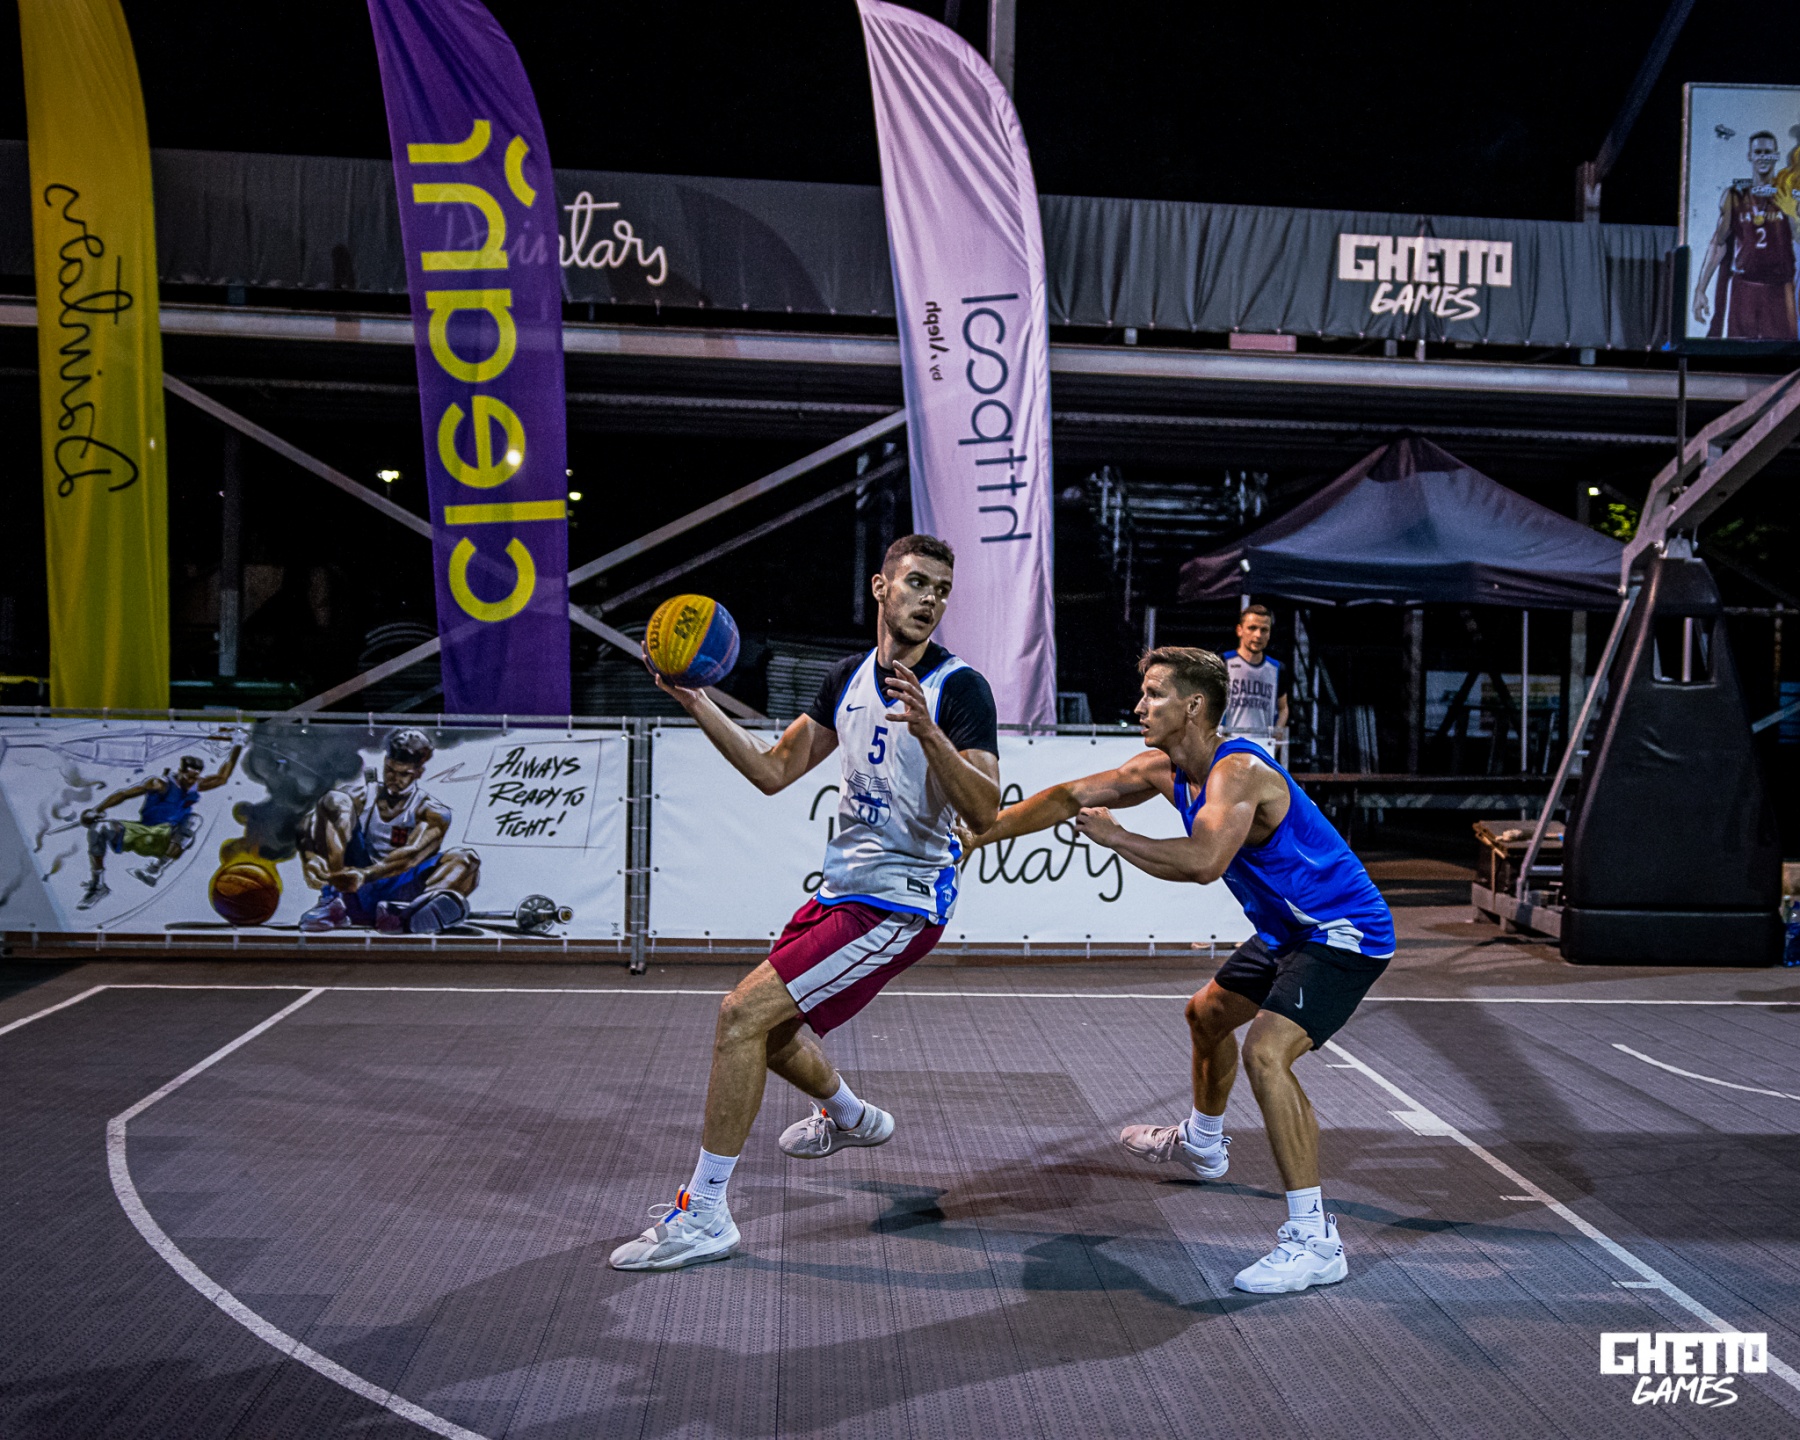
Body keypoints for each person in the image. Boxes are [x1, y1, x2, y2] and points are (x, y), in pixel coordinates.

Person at [610, 534, 1000, 1273]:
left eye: (942, 589)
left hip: (900, 902)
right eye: (917, 582)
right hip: (841, 889)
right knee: (773, 1034)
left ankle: (706, 1214)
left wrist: (929, 731)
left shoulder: (959, 689)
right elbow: (772, 770)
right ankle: (850, 1116)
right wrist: (695, 700)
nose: (930, 599)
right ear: (881, 588)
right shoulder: (846, 679)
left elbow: (985, 810)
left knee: (740, 1016)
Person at [962, 646, 1393, 1294]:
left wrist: (1116, 837)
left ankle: (1315, 1241)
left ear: (1193, 706)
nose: (1139, 705)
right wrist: (980, 833)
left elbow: (1202, 862)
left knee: (1266, 1054)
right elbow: (1069, 795)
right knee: (1206, 1015)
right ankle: (1203, 1143)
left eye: (1154, 694)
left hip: (1344, 932)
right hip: (1287, 931)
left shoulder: (1239, 771)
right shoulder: (1166, 770)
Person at [298, 727, 480, 934]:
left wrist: (366, 875)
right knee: (334, 801)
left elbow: (411, 856)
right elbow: (308, 824)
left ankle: (409, 914)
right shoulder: (360, 797)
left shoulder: (432, 812)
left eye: (404, 774)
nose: (395, 779)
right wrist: (310, 857)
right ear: (385, 762)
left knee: (466, 860)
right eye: (390, 770)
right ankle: (333, 903)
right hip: (353, 889)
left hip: (395, 891)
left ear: (419, 772)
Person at [79, 741, 244, 908]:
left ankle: (154, 869)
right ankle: (98, 885)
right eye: (189, 777)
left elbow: (222, 778)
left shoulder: (196, 785)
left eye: (195, 777)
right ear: (180, 772)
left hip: (167, 838)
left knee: (194, 820)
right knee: (99, 829)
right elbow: (124, 794)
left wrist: (237, 744)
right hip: (143, 832)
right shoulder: (160, 784)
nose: (192, 781)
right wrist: (97, 810)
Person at [1693, 131, 1798, 341]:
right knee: (1739, 352)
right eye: (1758, 152)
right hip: (1745, 287)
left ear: (1776, 156)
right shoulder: (1734, 196)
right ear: (1750, 156)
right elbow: (1718, 243)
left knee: (1783, 354)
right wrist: (1700, 289)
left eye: (1768, 152)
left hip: (1779, 289)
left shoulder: (1789, 195)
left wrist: (1792, 216)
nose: (1763, 157)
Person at [1220, 603, 1289, 744]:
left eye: (1264, 630)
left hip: (1262, 746)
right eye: (1252, 628)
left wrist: (1276, 735)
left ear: (1269, 634)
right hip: (1228, 743)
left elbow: (1283, 707)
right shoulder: (1223, 662)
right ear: (1239, 630)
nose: (1258, 635)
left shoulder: (1276, 668)